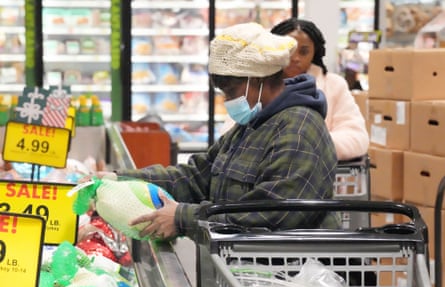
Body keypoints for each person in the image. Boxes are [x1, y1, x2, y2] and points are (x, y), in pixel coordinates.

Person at [96, 22, 339, 240]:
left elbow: (272, 214)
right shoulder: (254, 123)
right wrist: (121, 179)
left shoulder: (298, 129)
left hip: (294, 277)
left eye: (232, 92)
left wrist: (184, 218)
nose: (228, 101)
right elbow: (198, 176)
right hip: (246, 275)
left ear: (258, 80)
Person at [220, 18, 369, 161]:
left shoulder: (334, 85)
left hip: (316, 178)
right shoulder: (255, 84)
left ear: (314, 53)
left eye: (304, 52)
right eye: (289, 51)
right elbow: (230, 133)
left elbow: (356, 138)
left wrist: (303, 147)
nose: (295, 58)